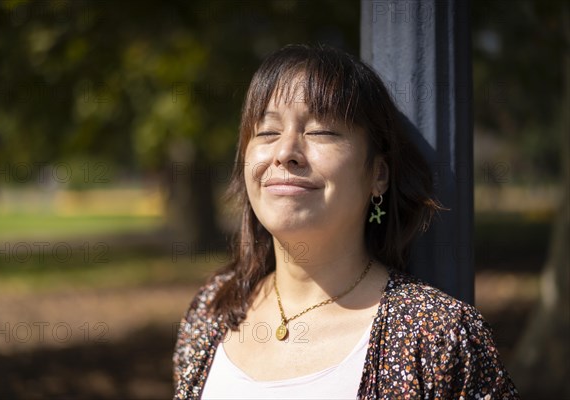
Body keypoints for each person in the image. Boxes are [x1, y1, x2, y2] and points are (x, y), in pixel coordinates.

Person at [172, 44, 519, 399]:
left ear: (378, 174)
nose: (285, 153)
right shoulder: (213, 309)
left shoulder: (439, 335)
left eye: (321, 131)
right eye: (267, 132)